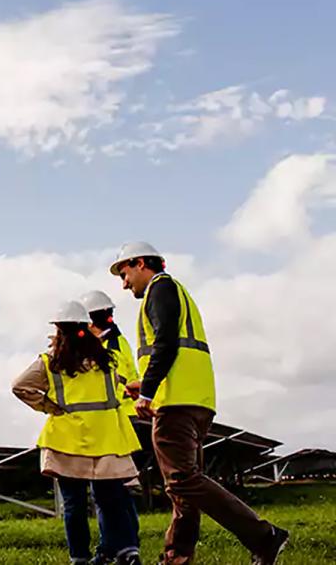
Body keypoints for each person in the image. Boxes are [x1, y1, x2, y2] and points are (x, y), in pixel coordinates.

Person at [109, 242, 289, 565]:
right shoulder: (174, 291)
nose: (124, 284)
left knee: (182, 480)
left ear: (139, 263)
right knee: (183, 487)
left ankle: (264, 536)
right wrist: (145, 383)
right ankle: (176, 556)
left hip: (176, 404)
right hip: (195, 399)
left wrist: (148, 391)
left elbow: (165, 342)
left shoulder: (159, 290)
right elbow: (173, 347)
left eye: (124, 274)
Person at [12, 300, 143, 565]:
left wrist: (48, 406)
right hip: (107, 439)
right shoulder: (109, 360)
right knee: (111, 501)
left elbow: (19, 386)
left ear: (59, 330)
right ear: (87, 326)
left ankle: (79, 558)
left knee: (73, 505)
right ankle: (128, 552)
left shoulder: (50, 362)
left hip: (67, 441)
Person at [80, 290, 143, 565]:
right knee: (115, 490)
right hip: (123, 421)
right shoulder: (119, 342)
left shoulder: (106, 348)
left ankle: (119, 548)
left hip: (115, 422)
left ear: (90, 322)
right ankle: (124, 546)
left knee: (107, 491)